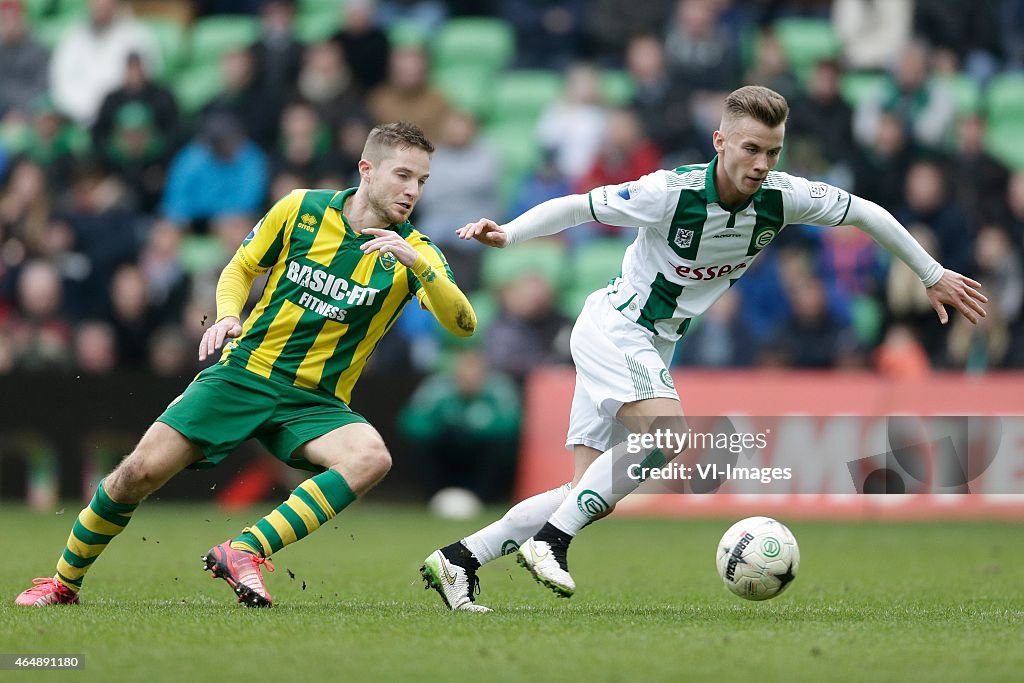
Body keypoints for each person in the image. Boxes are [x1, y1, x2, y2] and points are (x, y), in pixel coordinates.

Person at [419, 85, 988, 612]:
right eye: (751, 149)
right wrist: (510, 234)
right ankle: (551, 542)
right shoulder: (669, 192)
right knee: (668, 435)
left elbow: (865, 213)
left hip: (652, 344)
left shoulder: (783, 197)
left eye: (773, 151)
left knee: (586, 487)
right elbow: (581, 205)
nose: (763, 165)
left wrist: (930, 273)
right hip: (618, 329)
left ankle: (460, 560)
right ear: (720, 142)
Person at [15, 121, 476, 608]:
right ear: (367, 169)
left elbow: (463, 323)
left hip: (315, 402)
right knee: (135, 475)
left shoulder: (416, 252)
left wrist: (418, 265)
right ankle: (63, 583)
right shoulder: (302, 208)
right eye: (403, 175)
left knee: (371, 457)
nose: (412, 190)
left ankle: (244, 551)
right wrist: (229, 315)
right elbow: (241, 266)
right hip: (245, 373)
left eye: (422, 181)